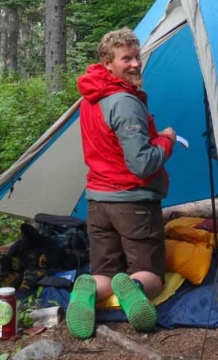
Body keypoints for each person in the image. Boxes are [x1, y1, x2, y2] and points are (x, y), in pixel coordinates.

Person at [67, 28, 176, 338]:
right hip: (132, 203)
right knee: (152, 273)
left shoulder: (90, 99)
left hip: (98, 202)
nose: (135, 64)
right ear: (107, 64)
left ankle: (86, 291)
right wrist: (166, 140)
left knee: (103, 273)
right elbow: (142, 163)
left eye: (137, 57)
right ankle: (138, 287)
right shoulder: (124, 102)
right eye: (125, 58)